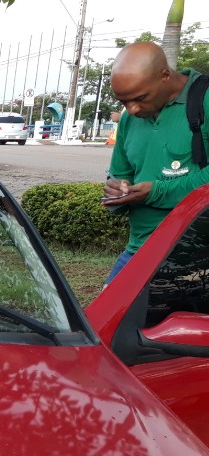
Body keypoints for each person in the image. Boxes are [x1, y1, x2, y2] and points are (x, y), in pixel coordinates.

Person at [102, 41, 209, 284]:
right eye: (123, 101)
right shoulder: (129, 119)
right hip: (139, 251)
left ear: (165, 75)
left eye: (140, 98)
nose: (132, 109)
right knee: (100, 321)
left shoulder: (204, 100)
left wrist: (156, 192)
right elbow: (120, 175)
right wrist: (116, 192)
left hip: (195, 258)